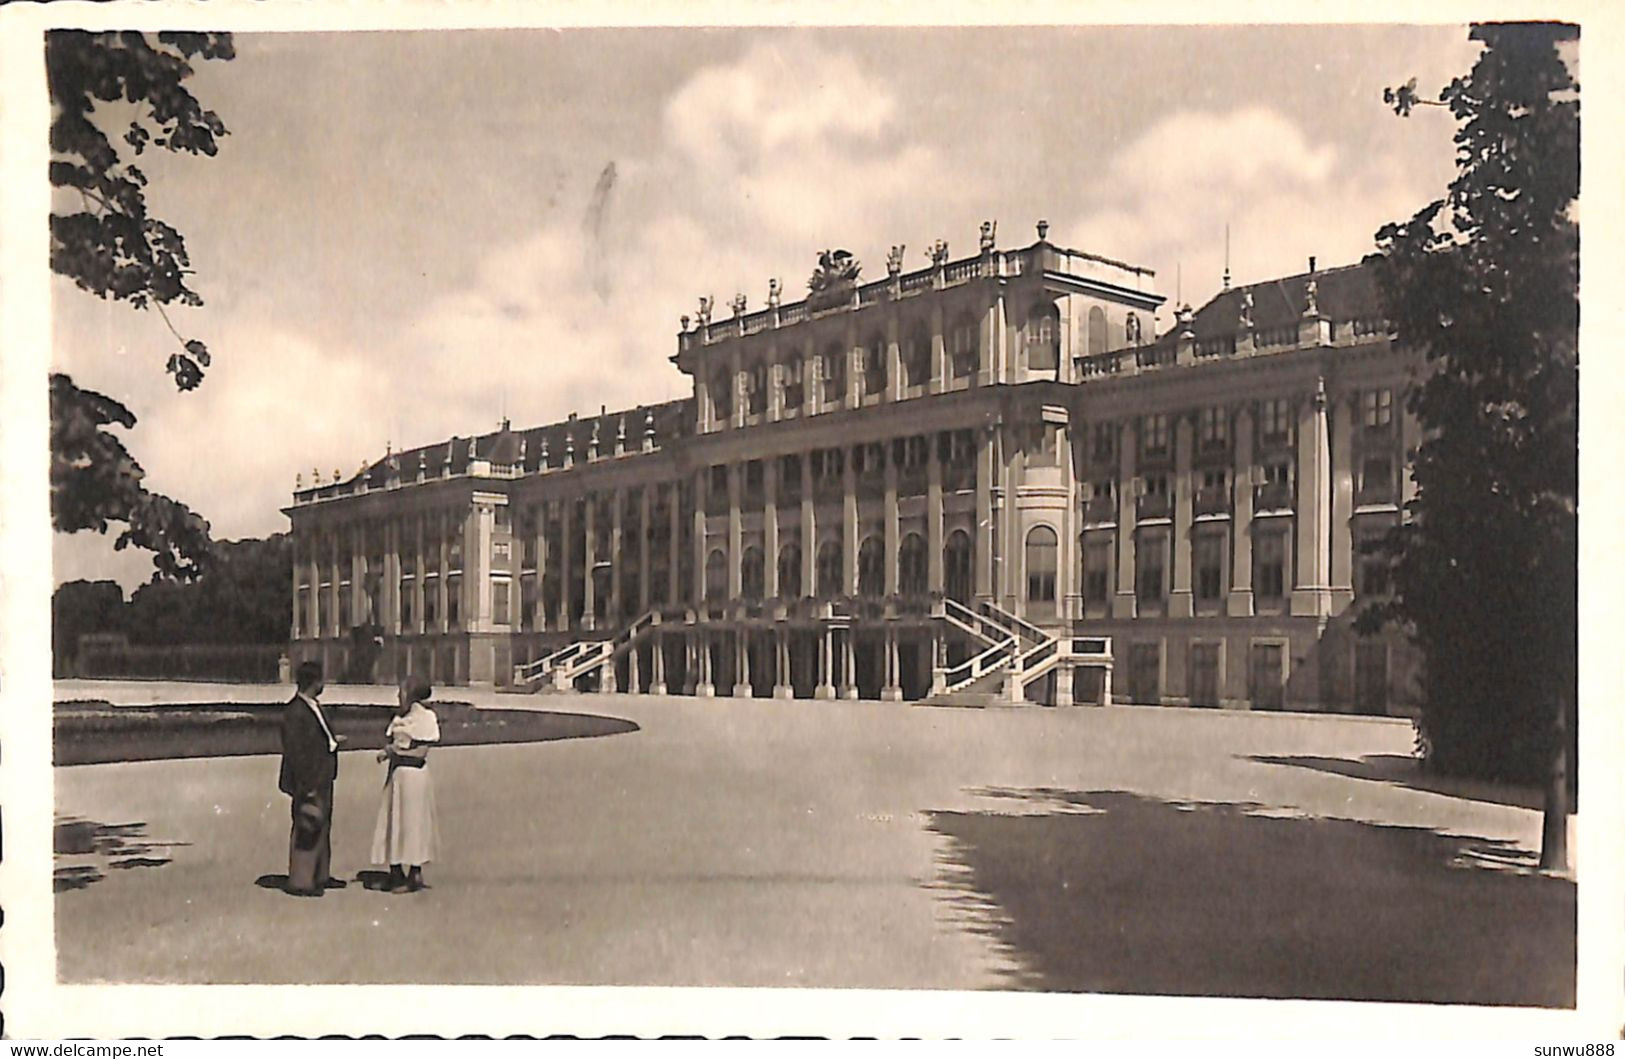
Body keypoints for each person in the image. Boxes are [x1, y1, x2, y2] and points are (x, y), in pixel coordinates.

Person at [278, 660, 346, 897]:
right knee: (307, 825)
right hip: (308, 777)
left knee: (321, 824)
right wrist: (305, 784)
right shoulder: (296, 711)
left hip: (322, 774)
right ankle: (301, 881)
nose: (323, 684)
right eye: (321, 680)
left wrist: (332, 741)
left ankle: (320, 874)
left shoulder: (313, 706)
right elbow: (296, 751)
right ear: (313, 682)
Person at [371, 678, 442, 893]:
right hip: (397, 776)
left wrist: (392, 752)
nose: (398, 696)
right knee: (394, 820)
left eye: (401, 692)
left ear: (412, 695)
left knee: (413, 822)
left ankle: (414, 872)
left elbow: (421, 752)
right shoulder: (400, 719)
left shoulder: (426, 718)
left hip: (414, 776)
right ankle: (395, 871)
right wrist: (392, 750)